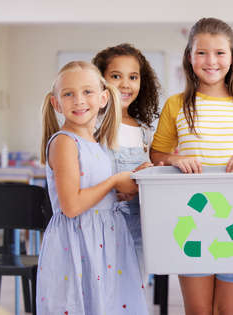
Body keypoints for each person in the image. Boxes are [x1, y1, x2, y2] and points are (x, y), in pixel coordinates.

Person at [150, 17, 233, 314]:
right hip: (191, 218)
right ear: (190, 58)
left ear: (232, 58)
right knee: (199, 311)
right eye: (201, 52)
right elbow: (157, 154)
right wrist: (176, 159)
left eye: (219, 53)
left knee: (228, 312)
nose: (211, 61)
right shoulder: (176, 104)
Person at [37, 61, 149, 314]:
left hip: (104, 240)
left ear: (103, 98)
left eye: (87, 92)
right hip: (78, 243)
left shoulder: (96, 144)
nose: (79, 100)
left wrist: (132, 179)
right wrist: (114, 181)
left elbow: (100, 194)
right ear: (56, 103)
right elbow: (72, 206)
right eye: (68, 94)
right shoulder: (64, 142)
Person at [93, 43, 160, 274]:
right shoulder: (93, 125)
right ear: (100, 80)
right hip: (103, 226)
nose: (125, 84)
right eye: (115, 76)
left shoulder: (144, 130)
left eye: (133, 77)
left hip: (140, 227)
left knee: (134, 292)